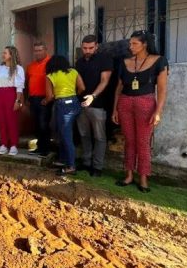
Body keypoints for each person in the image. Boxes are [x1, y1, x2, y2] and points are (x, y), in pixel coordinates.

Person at [112, 30, 168, 192]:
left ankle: (143, 178)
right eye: (130, 43)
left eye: (134, 43)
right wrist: (115, 108)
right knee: (129, 141)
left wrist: (158, 111)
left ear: (145, 44)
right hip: (125, 104)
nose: (131, 46)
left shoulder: (159, 61)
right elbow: (119, 87)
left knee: (143, 142)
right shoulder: (124, 62)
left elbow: (163, 90)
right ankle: (128, 175)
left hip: (146, 103)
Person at [75, 35, 113, 176]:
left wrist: (93, 96)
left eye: (91, 48)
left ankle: (97, 167)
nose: (88, 51)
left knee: (99, 137)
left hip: (98, 104)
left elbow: (104, 81)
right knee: (84, 135)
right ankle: (86, 163)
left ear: (96, 46)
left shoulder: (105, 59)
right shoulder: (79, 62)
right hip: (81, 105)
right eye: (85, 48)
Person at [44, 56, 85, 175]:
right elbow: (82, 88)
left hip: (62, 105)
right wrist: (73, 97)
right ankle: (63, 160)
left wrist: (45, 101)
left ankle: (71, 166)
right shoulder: (73, 72)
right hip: (75, 103)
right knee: (62, 133)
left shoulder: (50, 76)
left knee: (66, 136)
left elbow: (50, 96)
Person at [0, 46, 24, 156]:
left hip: (11, 94)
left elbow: (20, 86)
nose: (3, 55)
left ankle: (13, 145)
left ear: (11, 55)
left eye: (5, 53)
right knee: (1, 120)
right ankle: (4, 144)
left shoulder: (18, 69)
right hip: (0, 95)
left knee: (12, 120)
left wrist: (17, 100)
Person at [25, 41, 52, 155]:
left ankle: (46, 149)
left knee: (43, 124)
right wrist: (27, 98)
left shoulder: (51, 63)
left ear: (46, 50)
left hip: (45, 98)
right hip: (33, 99)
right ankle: (40, 147)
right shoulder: (31, 66)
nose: (38, 53)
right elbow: (27, 82)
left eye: (40, 50)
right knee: (36, 124)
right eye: (36, 50)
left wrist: (50, 97)